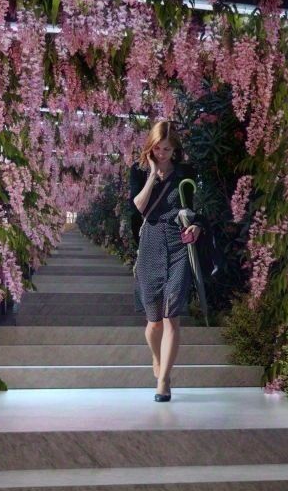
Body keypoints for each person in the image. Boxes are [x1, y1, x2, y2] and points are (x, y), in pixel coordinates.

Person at [130, 120, 202, 402]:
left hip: (178, 243)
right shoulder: (138, 171)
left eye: (167, 149)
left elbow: (195, 209)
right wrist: (152, 175)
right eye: (158, 148)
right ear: (151, 147)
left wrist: (197, 226)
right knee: (154, 322)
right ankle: (157, 357)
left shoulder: (186, 173)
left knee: (172, 316)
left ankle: (163, 381)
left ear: (175, 149)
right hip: (150, 244)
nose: (162, 154)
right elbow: (138, 206)